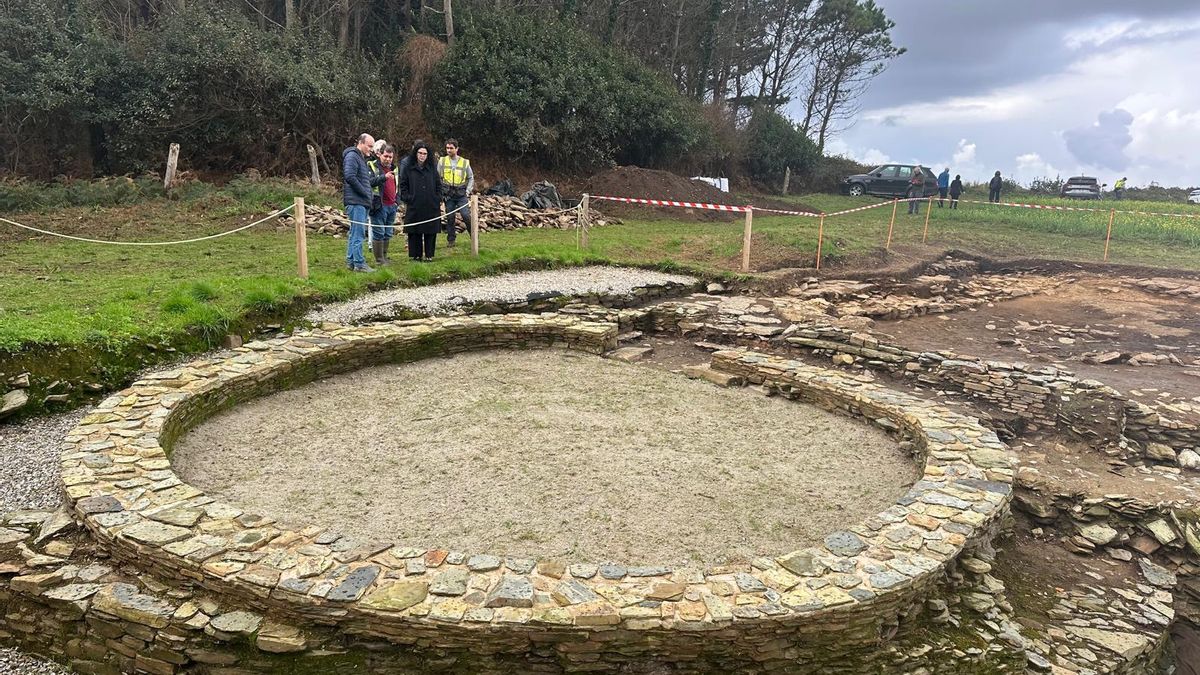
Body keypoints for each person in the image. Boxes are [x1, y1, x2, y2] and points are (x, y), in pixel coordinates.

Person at [399, 141, 442, 262]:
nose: (422, 155)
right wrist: (408, 198)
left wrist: (437, 198)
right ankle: (415, 255)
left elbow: (439, 185)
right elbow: (403, 185)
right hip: (415, 204)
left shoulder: (432, 168)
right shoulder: (408, 168)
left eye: (425, 153)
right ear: (415, 153)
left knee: (430, 230)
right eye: (420, 153)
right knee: (414, 230)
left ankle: (429, 255)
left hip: (430, 204)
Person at [342, 133, 375, 272]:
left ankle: (350, 261)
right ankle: (359, 263)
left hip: (361, 201)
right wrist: (364, 192)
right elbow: (349, 176)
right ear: (360, 143)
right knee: (358, 234)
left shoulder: (360, 158)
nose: (371, 149)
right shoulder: (352, 156)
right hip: (356, 201)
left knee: (354, 232)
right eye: (369, 146)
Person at [438, 138, 474, 247]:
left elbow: (471, 177)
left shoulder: (464, 162)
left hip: (461, 194)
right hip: (448, 194)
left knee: (466, 215)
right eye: (447, 148)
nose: (449, 150)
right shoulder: (442, 161)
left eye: (451, 148)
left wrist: (468, 191)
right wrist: (441, 192)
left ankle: (474, 237)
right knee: (450, 217)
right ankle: (451, 240)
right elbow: (437, 177)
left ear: (457, 149)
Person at [367, 144, 399, 265]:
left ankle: (385, 257)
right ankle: (379, 260)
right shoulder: (371, 166)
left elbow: (398, 185)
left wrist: (397, 201)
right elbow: (369, 182)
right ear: (380, 154)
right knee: (378, 232)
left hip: (392, 205)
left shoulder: (395, 169)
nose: (388, 159)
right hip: (378, 205)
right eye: (386, 156)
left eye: (390, 157)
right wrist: (383, 177)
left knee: (388, 232)